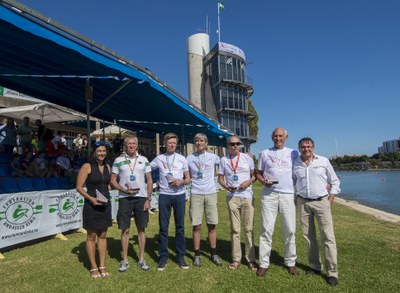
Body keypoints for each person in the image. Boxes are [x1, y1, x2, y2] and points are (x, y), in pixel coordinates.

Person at [293, 137, 341, 286]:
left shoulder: (323, 161)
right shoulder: (295, 163)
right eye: (303, 147)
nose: (306, 149)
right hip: (303, 203)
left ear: (313, 147)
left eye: (308, 146)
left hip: (321, 202)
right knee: (308, 237)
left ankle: (332, 272)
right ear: (299, 148)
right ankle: (315, 266)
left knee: (328, 237)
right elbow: (292, 182)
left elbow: (335, 181)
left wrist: (330, 199)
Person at [255, 128, 299, 277]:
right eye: (275, 136)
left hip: (287, 195)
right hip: (269, 195)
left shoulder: (293, 153)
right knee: (266, 229)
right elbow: (258, 173)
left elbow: (299, 172)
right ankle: (263, 263)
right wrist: (263, 182)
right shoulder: (264, 153)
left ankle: (290, 262)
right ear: (272, 137)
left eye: (280, 136)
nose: (278, 138)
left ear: (286, 137)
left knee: (290, 230)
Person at [110, 135, 153, 273]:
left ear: (137, 145)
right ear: (125, 145)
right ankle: (125, 260)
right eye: (129, 144)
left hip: (141, 197)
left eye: (134, 143)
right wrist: (124, 189)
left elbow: (150, 181)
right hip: (125, 197)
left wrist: (148, 199)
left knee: (141, 229)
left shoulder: (144, 160)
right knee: (125, 229)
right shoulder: (118, 160)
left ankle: (141, 259)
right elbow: (113, 181)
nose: (131, 146)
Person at [150, 133, 191, 271]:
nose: (172, 145)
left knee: (180, 226)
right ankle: (163, 256)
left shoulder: (182, 159)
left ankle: (180, 256)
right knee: (163, 227)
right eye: (169, 143)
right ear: (165, 144)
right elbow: (146, 168)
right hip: (164, 196)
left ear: (176, 144)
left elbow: (188, 178)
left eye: (174, 142)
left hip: (179, 195)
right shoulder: (159, 159)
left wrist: (181, 181)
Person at [218, 135, 257, 271]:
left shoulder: (248, 158)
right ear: (228, 146)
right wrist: (227, 187)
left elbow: (255, 175)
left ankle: (251, 259)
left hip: (247, 196)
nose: (234, 146)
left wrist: (248, 182)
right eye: (232, 144)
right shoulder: (224, 160)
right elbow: (220, 178)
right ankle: (236, 259)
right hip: (232, 197)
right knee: (235, 229)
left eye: (237, 143)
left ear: (240, 145)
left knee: (248, 229)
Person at [76, 142, 112, 278]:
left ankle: (102, 265)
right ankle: (93, 267)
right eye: (99, 151)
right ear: (94, 152)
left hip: (105, 205)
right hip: (91, 205)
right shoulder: (87, 166)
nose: (102, 153)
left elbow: (109, 184)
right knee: (91, 236)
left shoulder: (108, 166)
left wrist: (124, 188)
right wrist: (91, 199)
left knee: (103, 235)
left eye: (103, 151)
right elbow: (79, 187)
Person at [187, 133, 222, 267]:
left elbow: (227, 163)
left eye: (202, 140)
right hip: (196, 193)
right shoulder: (189, 158)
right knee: (196, 226)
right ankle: (197, 255)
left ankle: (213, 253)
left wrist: (244, 156)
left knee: (212, 225)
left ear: (206, 143)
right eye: (197, 140)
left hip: (210, 193)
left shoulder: (214, 157)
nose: (199, 143)